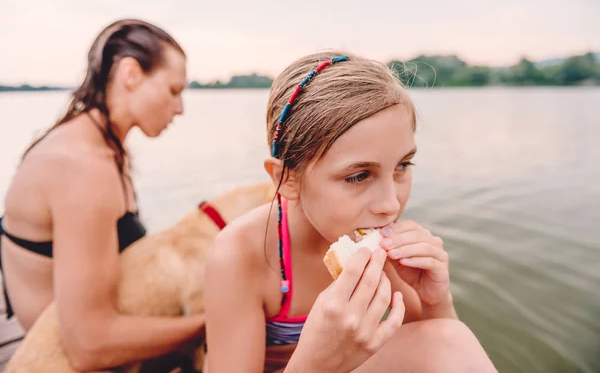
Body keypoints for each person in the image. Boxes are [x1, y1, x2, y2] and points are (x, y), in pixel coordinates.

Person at [204, 52, 498, 372]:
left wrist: (435, 300)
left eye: (402, 166)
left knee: (447, 339)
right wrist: (318, 361)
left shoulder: (367, 240)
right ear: (286, 178)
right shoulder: (242, 253)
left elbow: (433, 343)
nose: (391, 205)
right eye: (358, 176)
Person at [0, 19, 205, 371]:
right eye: (173, 91)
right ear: (131, 74)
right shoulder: (82, 166)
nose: (180, 108)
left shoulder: (99, 144)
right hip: (51, 357)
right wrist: (207, 324)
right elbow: (89, 346)